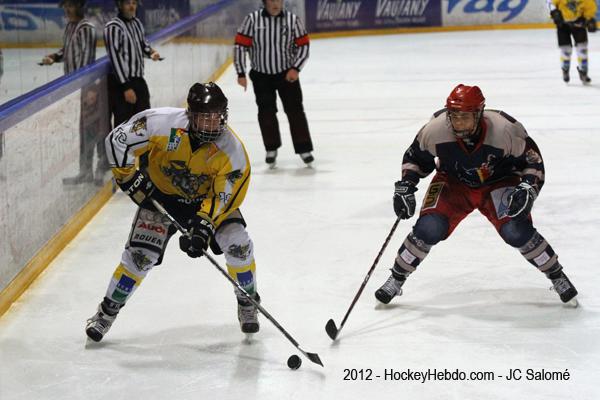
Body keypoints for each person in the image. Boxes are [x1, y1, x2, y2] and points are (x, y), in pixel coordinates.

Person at [85, 82, 261, 342]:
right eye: (206, 117)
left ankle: (247, 302)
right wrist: (129, 179)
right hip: (161, 198)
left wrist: (204, 226)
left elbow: (225, 196)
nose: (214, 123)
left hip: (205, 202)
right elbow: (117, 140)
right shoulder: (161, 124)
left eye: (218, 116)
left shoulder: (232, 152)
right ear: (190, 115)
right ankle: (106, 312)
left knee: (238, 245)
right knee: (139, 257)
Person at [374, 84, 578, 306]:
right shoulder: (434, 131)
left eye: (465, 117)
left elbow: (533, 161)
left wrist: (528, 187)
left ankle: (557, 275)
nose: (458, 122)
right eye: (453, 116)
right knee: (429, 227)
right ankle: (396, 278)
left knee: (516, 231)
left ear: (479, 114)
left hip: (498, 183)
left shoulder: (505, 130)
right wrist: (406, 185)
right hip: (453, 182)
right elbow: (415, 158)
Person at [234, 0, 314, 167]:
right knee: (266, 112)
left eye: (279, 0)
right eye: (272, 0)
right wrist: (240, 72)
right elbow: (240, 46)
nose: (276, 4)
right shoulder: (252, 20)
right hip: (261, 75)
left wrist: (296, 68)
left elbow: (304, 45)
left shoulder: (293, 20)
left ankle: (304, 149)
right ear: (265, 2)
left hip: (287, 75)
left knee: (295, 111)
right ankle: (271, 148)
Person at [40, 1, 107, 185]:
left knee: (93, 128)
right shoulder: (71, 27)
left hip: (88, 87)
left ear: (79, 6)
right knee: (85, 129)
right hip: (81, 87)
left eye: (70, 5)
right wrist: (55, 57)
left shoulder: (86, 28)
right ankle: (86, 170)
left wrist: (86, 87)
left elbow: (86, 59)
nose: (66, 10)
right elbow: (69, 50)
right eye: (65, 6)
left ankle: (100, 167)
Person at [104, 0, 161, 129]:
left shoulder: (137, 23)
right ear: (120, 5)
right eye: (127, 3)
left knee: (143, 123)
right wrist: (126, 87)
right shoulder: (113, 27)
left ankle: (142, 149)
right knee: (124, 127)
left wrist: (151, 53)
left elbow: (142, 45)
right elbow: (115, 58)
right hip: (121, 85)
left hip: (138, 81)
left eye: (134, 3)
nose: (131, 6)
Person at [548, 0, 597, 83]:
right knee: (566, 50)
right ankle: (565, 69)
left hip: (578, 23)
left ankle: (583, 72)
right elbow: (550, 3)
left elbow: (589, 8)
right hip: (562, 25)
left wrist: (589, 19)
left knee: (582, 49)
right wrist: (554, 12)